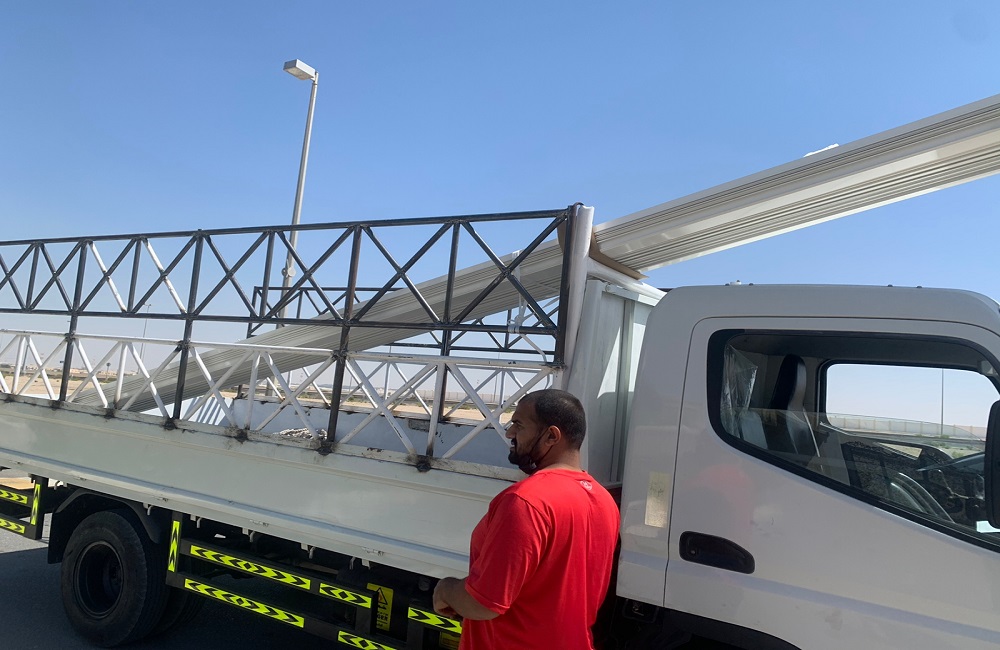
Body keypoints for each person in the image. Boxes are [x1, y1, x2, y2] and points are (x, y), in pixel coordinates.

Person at [432, 388, 620, 649]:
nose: (510, 433)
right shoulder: (604, 501)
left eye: (518, 425)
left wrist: (445, 589)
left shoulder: (525, 501)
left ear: (552, 436)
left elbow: (484, 603)